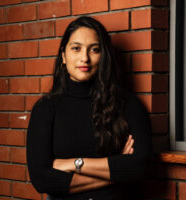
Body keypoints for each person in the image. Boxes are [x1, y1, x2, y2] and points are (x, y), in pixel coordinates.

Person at [26, 16, 152, 200]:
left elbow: (140, 166)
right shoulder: (45, 109)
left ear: (103, 56)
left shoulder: (128, 105)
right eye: (76, 48)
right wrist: (116, 172)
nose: (84, 58)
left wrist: (73, 164)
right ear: (63, 55)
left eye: (94, 50)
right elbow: (42, 180)